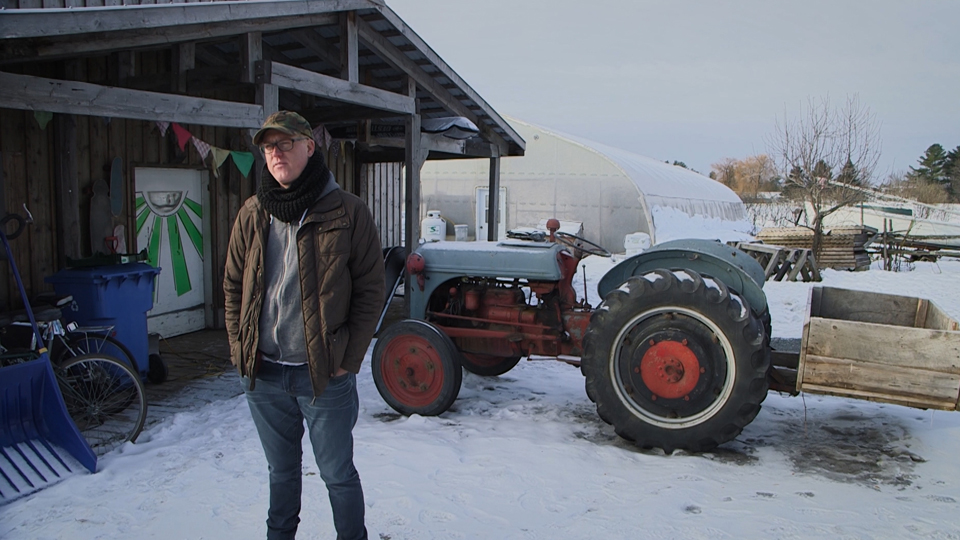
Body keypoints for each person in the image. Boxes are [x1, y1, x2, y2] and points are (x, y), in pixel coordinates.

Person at [224, 110, 385, 540]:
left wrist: (347, 361)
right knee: (281, 472)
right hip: (265, 376)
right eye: (268, 147)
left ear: (310, 146)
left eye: (286, 143)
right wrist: (240, 347)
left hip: (324, 377)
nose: (276, 153)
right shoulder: (253, 213)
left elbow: (372, 290)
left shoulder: (348, 211)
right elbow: (234, 286)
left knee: (337, 474)